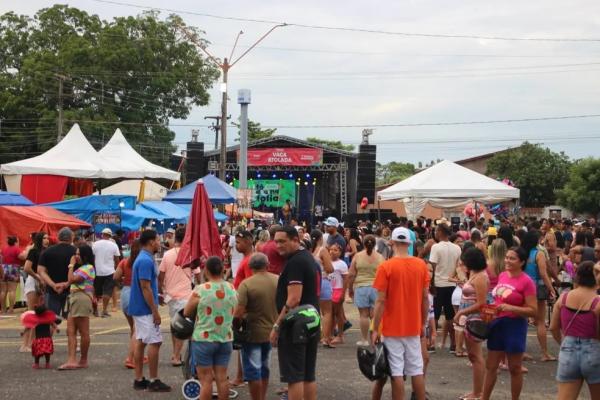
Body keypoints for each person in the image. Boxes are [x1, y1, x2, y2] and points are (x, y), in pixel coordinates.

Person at [371, 227, 430, 400]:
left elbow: (380, 301)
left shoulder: (386, 267)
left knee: (396, 372)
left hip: (391, 328)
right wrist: (422, 323)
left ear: (393, 242)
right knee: (417, 370)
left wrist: (375, 328)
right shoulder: (421, 265)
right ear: (409, 243)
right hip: (413, 326)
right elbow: (425, 298)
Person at [270, 226, 320, 400]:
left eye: (282, 241)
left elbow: (293, 299)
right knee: (307, 374)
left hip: (295, 325)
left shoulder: (296, 262)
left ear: (295, 240)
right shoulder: (306, 257)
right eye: (276, 241)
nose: (278, 245)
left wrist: (277, 326)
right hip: (310, 321)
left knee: (295, 377)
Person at [482, 247, 538, 400]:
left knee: (514, 368)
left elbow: (533, 310)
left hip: (515, 325)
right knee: (491, 366)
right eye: (506, 257)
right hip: (497, 323)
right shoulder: (502, 276)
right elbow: (498, 300)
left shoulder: (527, 281)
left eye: (512, 258)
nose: (507, 260)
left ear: (522, 262)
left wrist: (511, 307)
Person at [184, 256, 237, 400]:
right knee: (222, 377)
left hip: (204, 339)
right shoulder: (231, 288)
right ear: (223, 270)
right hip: (225, 338)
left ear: (206, 271)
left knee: (206, 380)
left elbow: (187, 312)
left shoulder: (201, 289)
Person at [549, 261, 600, 400]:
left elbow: (553, 327)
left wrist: (564, 343)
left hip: (568, 349)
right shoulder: (597, 302)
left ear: (577, 277)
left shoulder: (564, 298)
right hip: (594, 350)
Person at [129, 230, 171, 392]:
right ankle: (154, 380)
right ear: (151, 241)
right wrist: (155, 310)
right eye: (158, 240)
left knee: (141, 341)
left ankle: (139, 379)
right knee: (155, 341)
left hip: (139, 307)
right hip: (145, 308)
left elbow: (148, 286)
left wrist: (157, 296)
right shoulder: (145, 260)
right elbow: (145, 287)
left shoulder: (144, 258)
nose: (160, 243)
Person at [234, 253, 278, 400]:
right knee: (265, 369)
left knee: (253, 372)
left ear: (250, 267)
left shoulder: (246, 284)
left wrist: (235, 326)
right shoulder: (277, 280)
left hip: (252, 333)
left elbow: (239, 312)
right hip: (272, 331)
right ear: (267, 265)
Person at [453, 248, 489, 400]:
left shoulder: (480, 277)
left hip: (474, 318)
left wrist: (462, 312)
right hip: (469, 317)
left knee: (476, 356)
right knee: (473, 356)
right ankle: (476, 391)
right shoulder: (475, 274)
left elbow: (482, 303)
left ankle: (478, 393)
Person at [158, 227, 198, 367]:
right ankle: (176, 356)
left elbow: (160, 276)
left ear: (176, 239)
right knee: (183, 327)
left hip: (170, 297)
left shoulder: (167, 255)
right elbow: (198, 276)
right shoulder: (190, 255)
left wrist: (160, 293)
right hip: (186, 296)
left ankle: (176, 353)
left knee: (175, 326)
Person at [58, 244, 96, 370]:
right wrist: (62, 285)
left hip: (81, 298)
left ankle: (82, 359)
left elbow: (72, 279)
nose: (76, 256)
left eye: (79, 254)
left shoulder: (88, 267)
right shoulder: (83, 268)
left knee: (83, 331)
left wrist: (71, 265)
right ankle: (72, 359)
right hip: (75, 298)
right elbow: (70, 282)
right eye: (76, 254)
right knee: (70, 331)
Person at [522, 230, 557, 361]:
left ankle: (522, 351)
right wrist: (551, 288)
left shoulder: (522, 253)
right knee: (541, 321)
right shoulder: (539, 253)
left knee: (523, 321)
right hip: (538, 288)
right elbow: (543, 273)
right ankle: (544, 353)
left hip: (523, 288)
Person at [429, 223, 461, 352]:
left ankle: (432, 344)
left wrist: (431, 284)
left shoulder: (436, 247)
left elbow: (432, 267)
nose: (435, 233)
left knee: (434, 316)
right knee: (451, 316)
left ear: (441, 232)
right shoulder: (457, 248)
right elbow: (458, 267)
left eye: (436, 230)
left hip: (438, 284)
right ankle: (453, 344)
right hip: (452, 284)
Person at [348, 234, 384, 346]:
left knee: (363, 315)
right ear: (375, 244)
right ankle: (375, 338)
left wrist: (350, 289)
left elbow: (351, 274)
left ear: (363, 244)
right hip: (376, 288)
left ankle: (364, 340)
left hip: (361, 287)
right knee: (375, 315)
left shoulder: (357, 256)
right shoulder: (380, 257)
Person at [114, 239, 141, 369]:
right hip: (136, 295)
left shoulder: (124, 262)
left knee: (133, 328)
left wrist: (123, 282)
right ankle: (130, 358)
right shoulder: (142, 262)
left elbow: (115, 277)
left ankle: (137, 354)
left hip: (125, 294)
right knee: (138, 329)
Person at [38, 227, 77, 318]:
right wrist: (66, 284)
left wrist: (53, 285)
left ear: (58, 237)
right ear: (71, 237)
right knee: (72, 319)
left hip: (52, 290)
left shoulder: (47, 251)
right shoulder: (76, 252)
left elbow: (41, 271)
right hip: (72, 289)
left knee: (50, 319)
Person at [21, 232, 50, 352]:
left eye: (48, 238)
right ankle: (24, 344)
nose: (47, 240)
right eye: (44, 238)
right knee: (31, 313)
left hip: (42, 282)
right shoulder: (34, 251)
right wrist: (38, 277)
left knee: (38, 314)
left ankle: (32, 342)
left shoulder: (45, 252)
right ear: (39, 239)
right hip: (33, 282)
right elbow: (27, 268)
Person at [310, 229, 335, 348]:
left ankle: (316, 337)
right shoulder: (322, 250)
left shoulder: (309, 251)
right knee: (327, 312)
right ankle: (326, 338)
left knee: (315, 311)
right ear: (321, 239)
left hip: (312, 282)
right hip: (323, 281)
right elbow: (330, 268)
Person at [92, 228, 120, 318]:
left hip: (97, 271)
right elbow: (117, 259)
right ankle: (104, 310)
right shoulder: (113, 245)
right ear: (110, 236)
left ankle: (95, 310)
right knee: (107, 292)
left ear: (102, 234)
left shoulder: (95, 244)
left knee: (95, 292)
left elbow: (92, 257)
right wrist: (117, 270)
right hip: (110, 271)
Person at [329, 243, 348, 345]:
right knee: (330, 313)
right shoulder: (327, 262)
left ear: (340, 252)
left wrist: (343, 293)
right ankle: (331, 334)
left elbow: (346, 279)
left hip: (338, 289)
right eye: (331, 249)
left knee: (338, 313)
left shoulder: (342, 264)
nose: (332, 251)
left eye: (335, 250)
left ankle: (340, 335)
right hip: (329, 290)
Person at [1, 236, 22, 314]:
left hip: (3, 268)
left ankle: (3, 309)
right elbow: (21, 257)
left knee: (3, 291)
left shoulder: (3, 248)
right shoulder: (16, 248)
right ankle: (10, 309)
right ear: (16, 242)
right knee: (12, 290)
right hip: (13, 268)